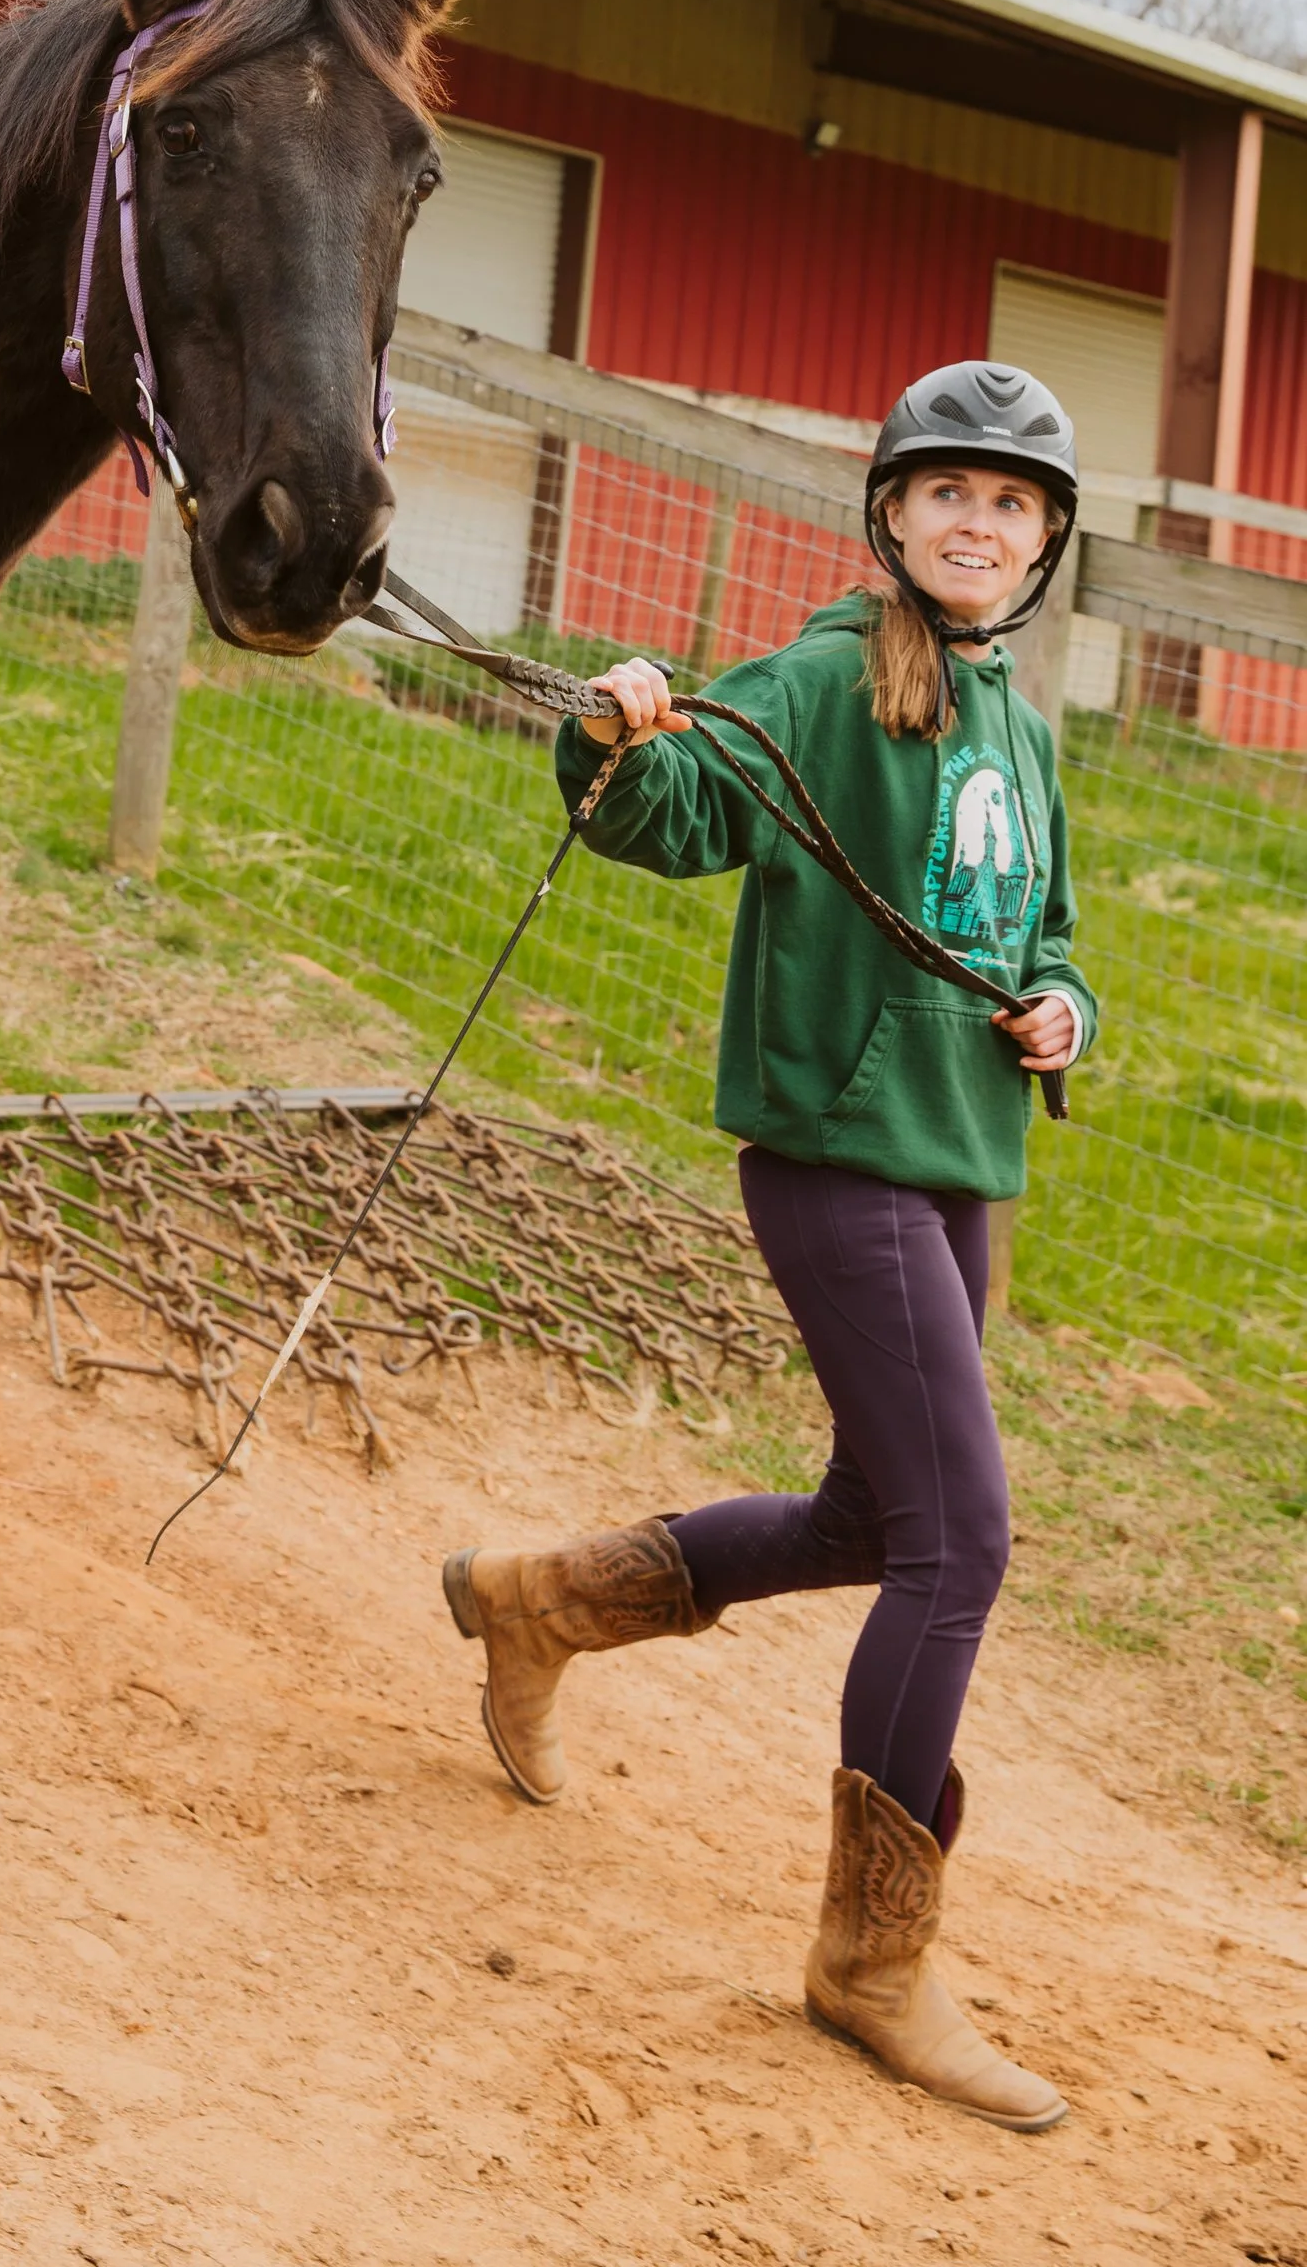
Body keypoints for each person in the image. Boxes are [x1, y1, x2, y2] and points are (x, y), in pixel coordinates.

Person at [440, 361, 1094, 2135]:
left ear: (1045, 545)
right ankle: (870, 1962)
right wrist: (609, 731)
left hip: (962, 1167)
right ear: (890, 512)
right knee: (960, 1544)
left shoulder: (1021, 723)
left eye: (1014, 503)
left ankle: (540, 1597)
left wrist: (1062, 1006)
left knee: (875, 1521)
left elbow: (1046, 923)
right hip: (839, 1160)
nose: (980, 521)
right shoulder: (816, 679)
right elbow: (667, 820)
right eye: (950, 492)